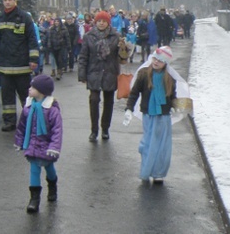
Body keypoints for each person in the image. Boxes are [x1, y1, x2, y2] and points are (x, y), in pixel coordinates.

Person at [123, 46, 183, 184]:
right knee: (148, 143)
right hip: (149, 114)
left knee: (162, 145)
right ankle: (146, 170)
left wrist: (174, 106)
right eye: (155, 58)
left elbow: (172, 95)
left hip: (163, 115)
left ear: (165, 63)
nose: (156, 62)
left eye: (160, 61)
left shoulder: (169, 78)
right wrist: (129, 109)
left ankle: (158, 172)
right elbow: (134, 93)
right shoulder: (144, 74)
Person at [0, 0, 40, 132]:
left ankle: (30, 121)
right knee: (7, 97)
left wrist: (33, 59)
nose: (7, 2)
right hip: (5, 66)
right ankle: (9, 122)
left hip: (22, 65)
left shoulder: (25, 18)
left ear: (15, 1)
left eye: (10, 0)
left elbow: (32, 40)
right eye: (5, 0)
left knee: (26, 96)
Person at [14, 74, 62, 213]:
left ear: (42, 91)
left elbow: (57, 131)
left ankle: (52, 184)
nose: (29, 89)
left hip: (46, 147)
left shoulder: (52, 110)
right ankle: (34, 199)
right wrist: (19, 141)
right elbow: (22, 126)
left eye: (33, 87)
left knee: (49, 168)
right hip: (32, 145)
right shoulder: (28, 106)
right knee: (34, 169)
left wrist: (54, 147)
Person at [77, 10, 121, 142]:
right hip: (94, 71)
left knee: (109, 102)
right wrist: (82, 73)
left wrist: (125, 49)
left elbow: (122, 56)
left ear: (108, 23)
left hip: (110, 71)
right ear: (95, 22)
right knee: (94, 100)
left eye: (104, 21)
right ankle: (94, 130)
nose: (101, 23)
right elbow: (83, 56)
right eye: (99, 21)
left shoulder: (115, 36)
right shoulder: (89, 36)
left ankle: (105, 128)